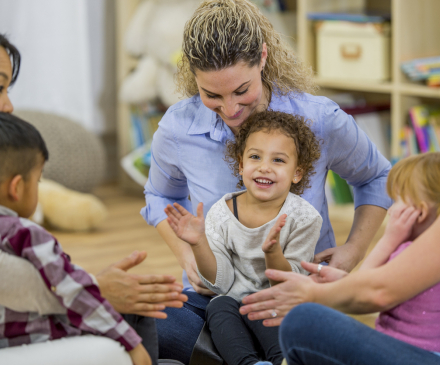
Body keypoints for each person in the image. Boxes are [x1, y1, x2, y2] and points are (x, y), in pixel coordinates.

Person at [139, 0, 392, 363]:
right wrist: (187, 257)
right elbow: (160, 195)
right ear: (191, 75)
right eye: (212, 95)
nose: (230, 110)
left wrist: (353, 251)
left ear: (262, 57)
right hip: (215, 297)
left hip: (299, 295)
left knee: (296, 338)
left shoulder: (319, 119)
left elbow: (376, 176)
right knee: (149, 330)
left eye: (242, 90)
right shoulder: (178, 128)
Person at [0, 33, 187, 365]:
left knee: (155, 318)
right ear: (18, 187)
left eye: (7, 89)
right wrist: (92, 288)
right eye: (0, 87)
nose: (9, 106)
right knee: (128, 339)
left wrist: (87, 284)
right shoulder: (24, 232)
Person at [240, 152, 440, 365]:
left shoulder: (407, 251)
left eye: (398, 200)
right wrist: (343, 283)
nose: (390, 210)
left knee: (302, 320)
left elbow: (374, 294)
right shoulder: (412, 252)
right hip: (404, 350)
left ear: (420, 211)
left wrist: (389, 239)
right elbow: (370, 284)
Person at [165, 111, 322, 365]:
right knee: (218, 305)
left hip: (278, 306)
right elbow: (221, 284)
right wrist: (199, 243)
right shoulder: (221, 212)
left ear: (297, 173)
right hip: (232, 305)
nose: (264, 166)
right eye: (255, 156)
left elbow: (289, 286)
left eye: (278, 160)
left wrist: (272, 254)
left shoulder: (305, 218)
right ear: (241, 164)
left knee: (266, 306)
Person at [0, 113, 151, 364]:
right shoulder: (27, 234)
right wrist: (132, 345)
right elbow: (71, 289)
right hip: (42, 340)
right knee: (136, 316)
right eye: (38, 181)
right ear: (17, 188)